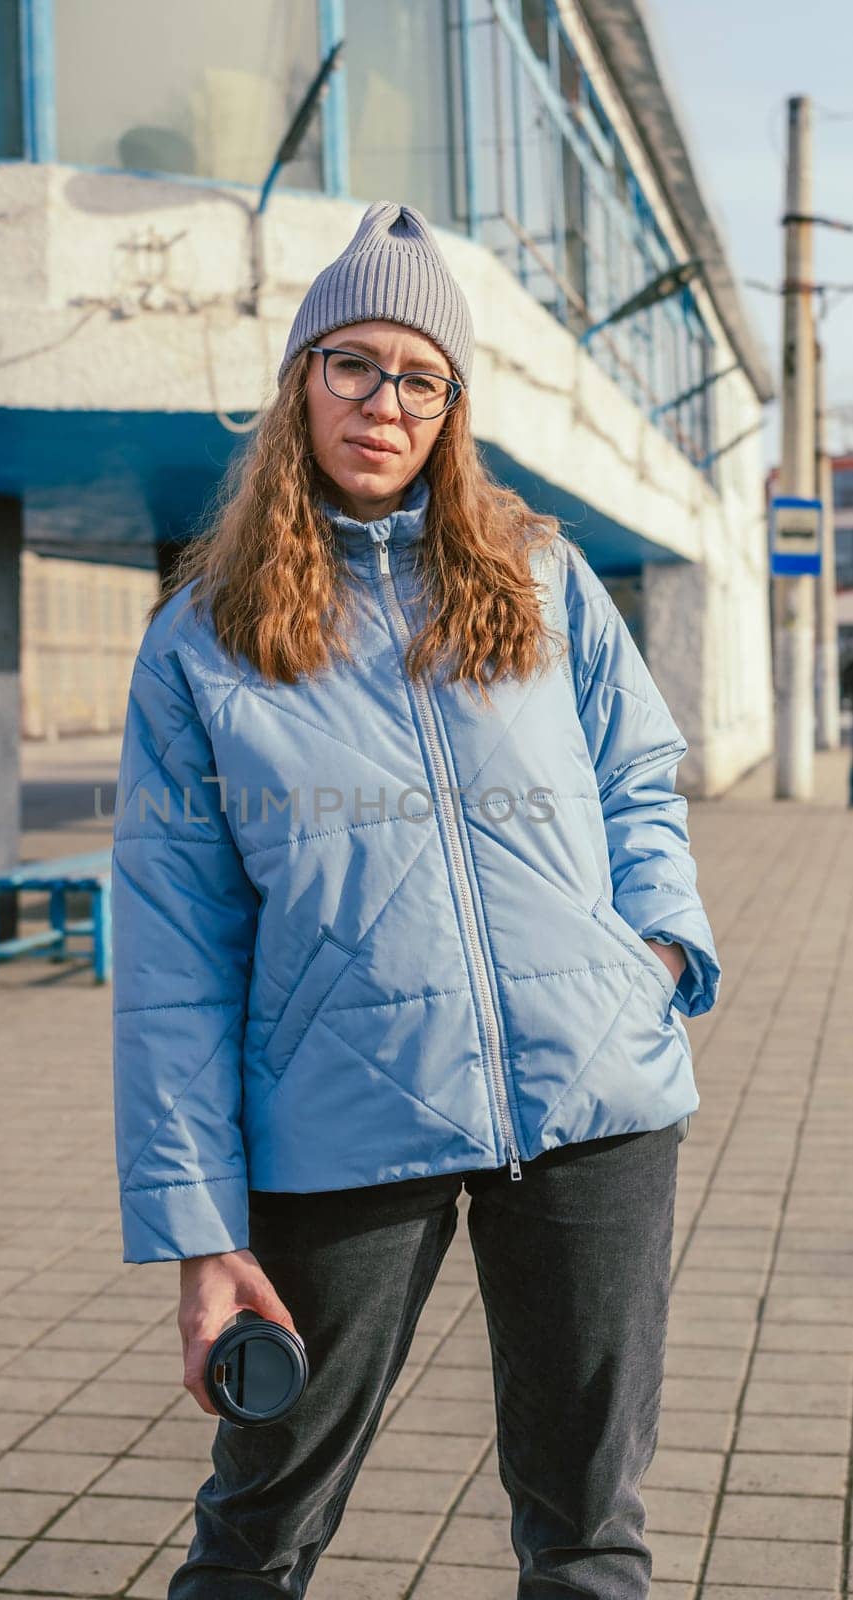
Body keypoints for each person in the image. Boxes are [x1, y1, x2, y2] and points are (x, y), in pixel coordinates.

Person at [111, 201, 721, 1599]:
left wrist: (657, 951)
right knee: (258, 1525)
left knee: (587, 1531)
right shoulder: (199, 640)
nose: (383, 401)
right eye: (352, 365)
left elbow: (640, 775)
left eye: (419, 376)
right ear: (299, 381)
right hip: (341, 1116)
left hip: (591, 1105)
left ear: (452, 407)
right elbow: (172, 957)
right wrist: (201, 1233)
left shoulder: (540, 576)